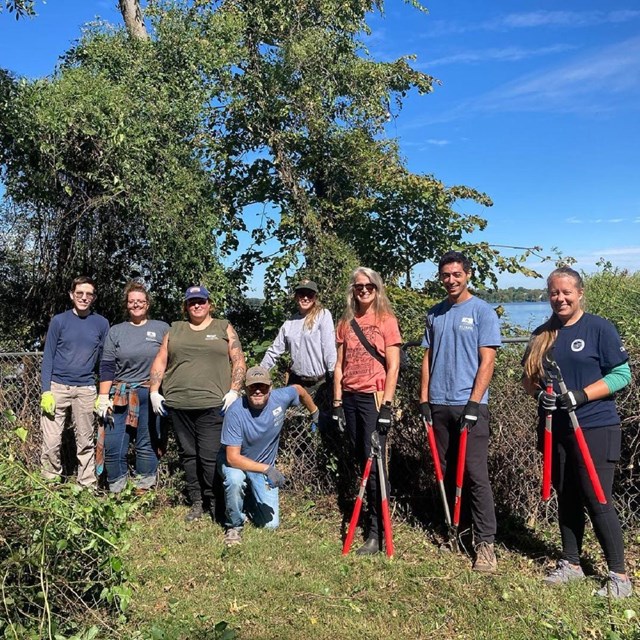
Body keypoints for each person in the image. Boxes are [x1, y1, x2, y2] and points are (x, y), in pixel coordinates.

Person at [521, 266, 632, 598]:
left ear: (580, 293)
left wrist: (581, 395)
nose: (560, 298)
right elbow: (528, 379)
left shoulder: (598, 328)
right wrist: (540, 394)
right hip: (556, 429)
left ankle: (619, 576)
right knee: (567, 496)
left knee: (597, 498)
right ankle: (571, 565)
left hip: (595, 426)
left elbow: (621, 374)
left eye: (566, 292)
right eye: (554, 292)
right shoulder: (543, 333)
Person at [419, 251, 501, 572]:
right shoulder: (435, 314)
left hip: (470, 406)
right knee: (446, 472)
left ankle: (485, 545)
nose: (451, 280)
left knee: (475, 474)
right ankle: (456, 530)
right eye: (445, 275)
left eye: (457, 274)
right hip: (438, 404)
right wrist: (423, 398)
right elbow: (427, 358)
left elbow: (488, 360)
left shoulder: (482, 311)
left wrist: (474, 402)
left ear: (467, 274)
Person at [149, 285, 246, 521]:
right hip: (178, 404)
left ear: (209, 304)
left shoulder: (223, 327)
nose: (197, 305)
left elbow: (238, 359)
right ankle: (196, 502)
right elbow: (161, 360)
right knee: (189, 455)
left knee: (210, 456)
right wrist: (154, 391)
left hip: (214, 404)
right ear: (186, 306)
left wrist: (234, 390)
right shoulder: (175, 329)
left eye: (201, 301)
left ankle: (215, 503)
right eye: (192, 302)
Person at [332, 267, 402, 555]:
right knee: (361, 459)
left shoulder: (386, 321)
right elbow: (339, 365)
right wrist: (336, 403)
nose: (363, 290)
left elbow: (393, 366)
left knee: (374, 464)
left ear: (377, 288)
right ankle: (370, 521)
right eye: (359, 286)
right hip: (349, 398)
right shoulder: (346, 323)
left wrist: (386, 406)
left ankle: (376, 531)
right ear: (353, 290)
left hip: (373, 398)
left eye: (369, 286)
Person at [218, 366, 319, 545]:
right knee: (235, 480)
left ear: (270, 387)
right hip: (237, 463)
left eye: (262, 386)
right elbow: (232, 458)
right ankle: (234, 526)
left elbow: (299, 390)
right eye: (252, 386)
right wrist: (267, 469)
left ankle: (248, 502)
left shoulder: (280, 398)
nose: (258, 390)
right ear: (245, 388)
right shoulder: (235, 411)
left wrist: (314, 412)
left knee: (271, 525)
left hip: (261, 467)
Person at [96, 282, 169, 494]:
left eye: (140, 301)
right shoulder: (116, 331)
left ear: (148, 304)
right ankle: (117, 491)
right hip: (120, 395)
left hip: (150, 393)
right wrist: (103, 396)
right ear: (126, 305)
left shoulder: (162, 328)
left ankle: (142, 490)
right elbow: (108, 365)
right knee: (114, 443)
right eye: (132, 301)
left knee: (146, 443)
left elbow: (172, 360)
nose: (136, 304)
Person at [40, 276, 109, 488]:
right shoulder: (59, 321)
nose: (84, 298)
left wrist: (103, 394)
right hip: (57, 387)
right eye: (79, 293)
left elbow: (104, 361)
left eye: (89, 294)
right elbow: (48, 356)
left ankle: (86, 486)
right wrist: (46, 391)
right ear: (72, 295)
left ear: (94, 297)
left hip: (86, 389)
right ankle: (50, 485)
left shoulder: (101, 324)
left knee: (86, 442)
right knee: (51, 443)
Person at [260, 279, 336, 428]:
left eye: (310, 294)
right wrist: (260, 373)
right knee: (296, 425)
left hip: (320, 383)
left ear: (315, 298)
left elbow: (329, 347)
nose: (305, 298)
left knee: (321, 424)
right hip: (297, 382)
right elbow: (274, 350)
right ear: (296, 297)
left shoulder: (322, 315)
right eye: (302, 294)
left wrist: (333, 373)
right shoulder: (289, 323)